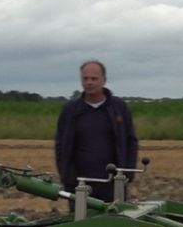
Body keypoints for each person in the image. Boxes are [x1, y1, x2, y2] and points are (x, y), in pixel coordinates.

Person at [53, 59, 138, 194]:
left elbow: (131, 141)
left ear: (104, 80)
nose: (89, 82)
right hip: (79, 184)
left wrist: (128, 174)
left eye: (94, 78)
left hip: (113, 183)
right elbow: (60, 144)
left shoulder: (119, 108)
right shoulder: (70, 110)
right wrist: (66, 175)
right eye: (85, 78)